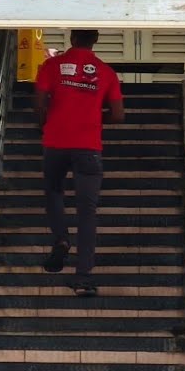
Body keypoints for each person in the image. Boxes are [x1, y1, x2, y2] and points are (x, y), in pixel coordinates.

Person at [34, 29, 125, 297]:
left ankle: (61, 239)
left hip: (55, 143)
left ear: (72, 39)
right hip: (89, 147)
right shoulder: (106, 72)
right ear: (96, 39)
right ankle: (83, 276)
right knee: (87, 211)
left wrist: (44, 125)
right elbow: (119, 115)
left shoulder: (51, 66)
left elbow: (38, 103)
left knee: (54, 192)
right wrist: (96, 119)